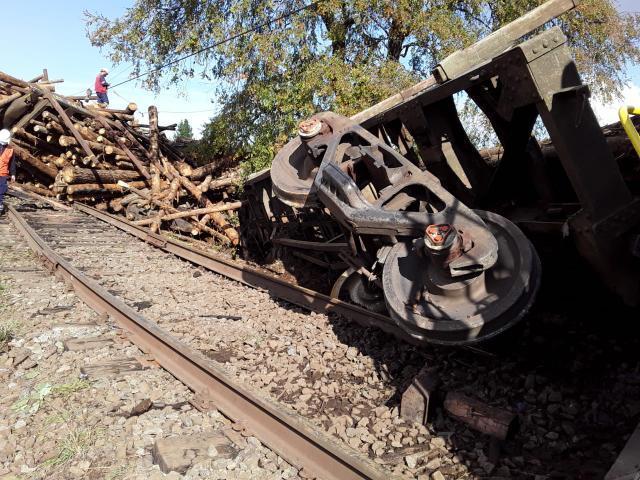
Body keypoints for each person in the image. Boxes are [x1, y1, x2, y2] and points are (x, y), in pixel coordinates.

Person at [0, 129, 16, 215]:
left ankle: (0, 204)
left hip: (3, 173)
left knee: (1, 190)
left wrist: (13, 174)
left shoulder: (10, 150)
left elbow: (12, 163)